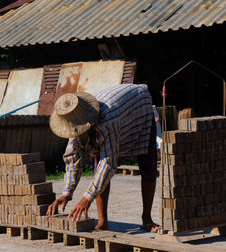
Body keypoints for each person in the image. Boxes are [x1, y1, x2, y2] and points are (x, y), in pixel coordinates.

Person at [46, 84, 160, 232]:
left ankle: (147, 219)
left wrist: (87, 197)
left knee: (147, 166)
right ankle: (103, 221)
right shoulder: (74, 124)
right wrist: (66, 193)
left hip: (140, 106)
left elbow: (108, 164)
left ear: (87, 125)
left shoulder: (107, 122)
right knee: (98, 167)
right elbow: (73, 160)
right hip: (121, 113)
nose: (76, 135)